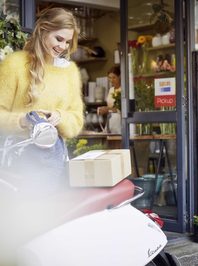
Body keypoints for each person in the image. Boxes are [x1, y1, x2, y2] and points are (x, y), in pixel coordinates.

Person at [0, 7, 84, 190]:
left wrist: (59, 116)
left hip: (55, 159)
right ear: (43, 30)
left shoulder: (69, 72)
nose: (63, 47)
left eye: (68, 42)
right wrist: (22, 120)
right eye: (59, 39)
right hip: (18, 160)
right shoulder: (14, 65)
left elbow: (77, 120)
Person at [97, 66, 121, 134]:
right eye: (110, 78)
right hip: (110, 120)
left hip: (119, 121)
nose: (111, 80)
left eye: (114, 77)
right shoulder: (111, 90)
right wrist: (103, 110)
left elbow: (120, 109)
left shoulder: (123, 90)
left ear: (119, 77)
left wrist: (107, 109)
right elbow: (110, 107)